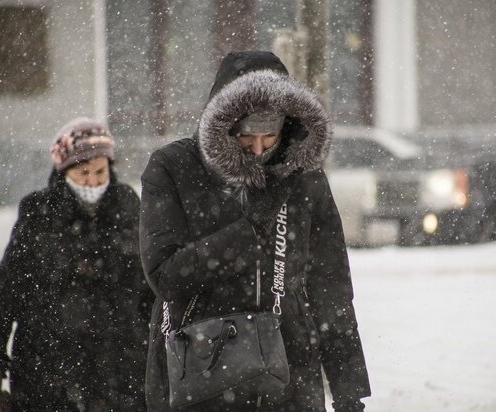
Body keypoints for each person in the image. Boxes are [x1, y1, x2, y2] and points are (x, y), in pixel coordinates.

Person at [140, 51, 370, 411]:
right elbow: (166, 275)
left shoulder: (304, 177)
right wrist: (250, 229)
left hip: (290, 370)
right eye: (247, 137)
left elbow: (330, 288)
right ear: (224, 123)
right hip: (199, 365)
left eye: (271, 135)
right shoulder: (173, 166)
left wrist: (348, 388)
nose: (259, 148)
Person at [0, 118, 154, 411]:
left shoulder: (127, 206)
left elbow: (148, 286)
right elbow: (8, 287)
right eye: (83, 173)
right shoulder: (39, 212)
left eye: (100, 171)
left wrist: (159, 344)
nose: (93, 181)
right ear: (64, 172)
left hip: (120, 363)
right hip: (47, 366)